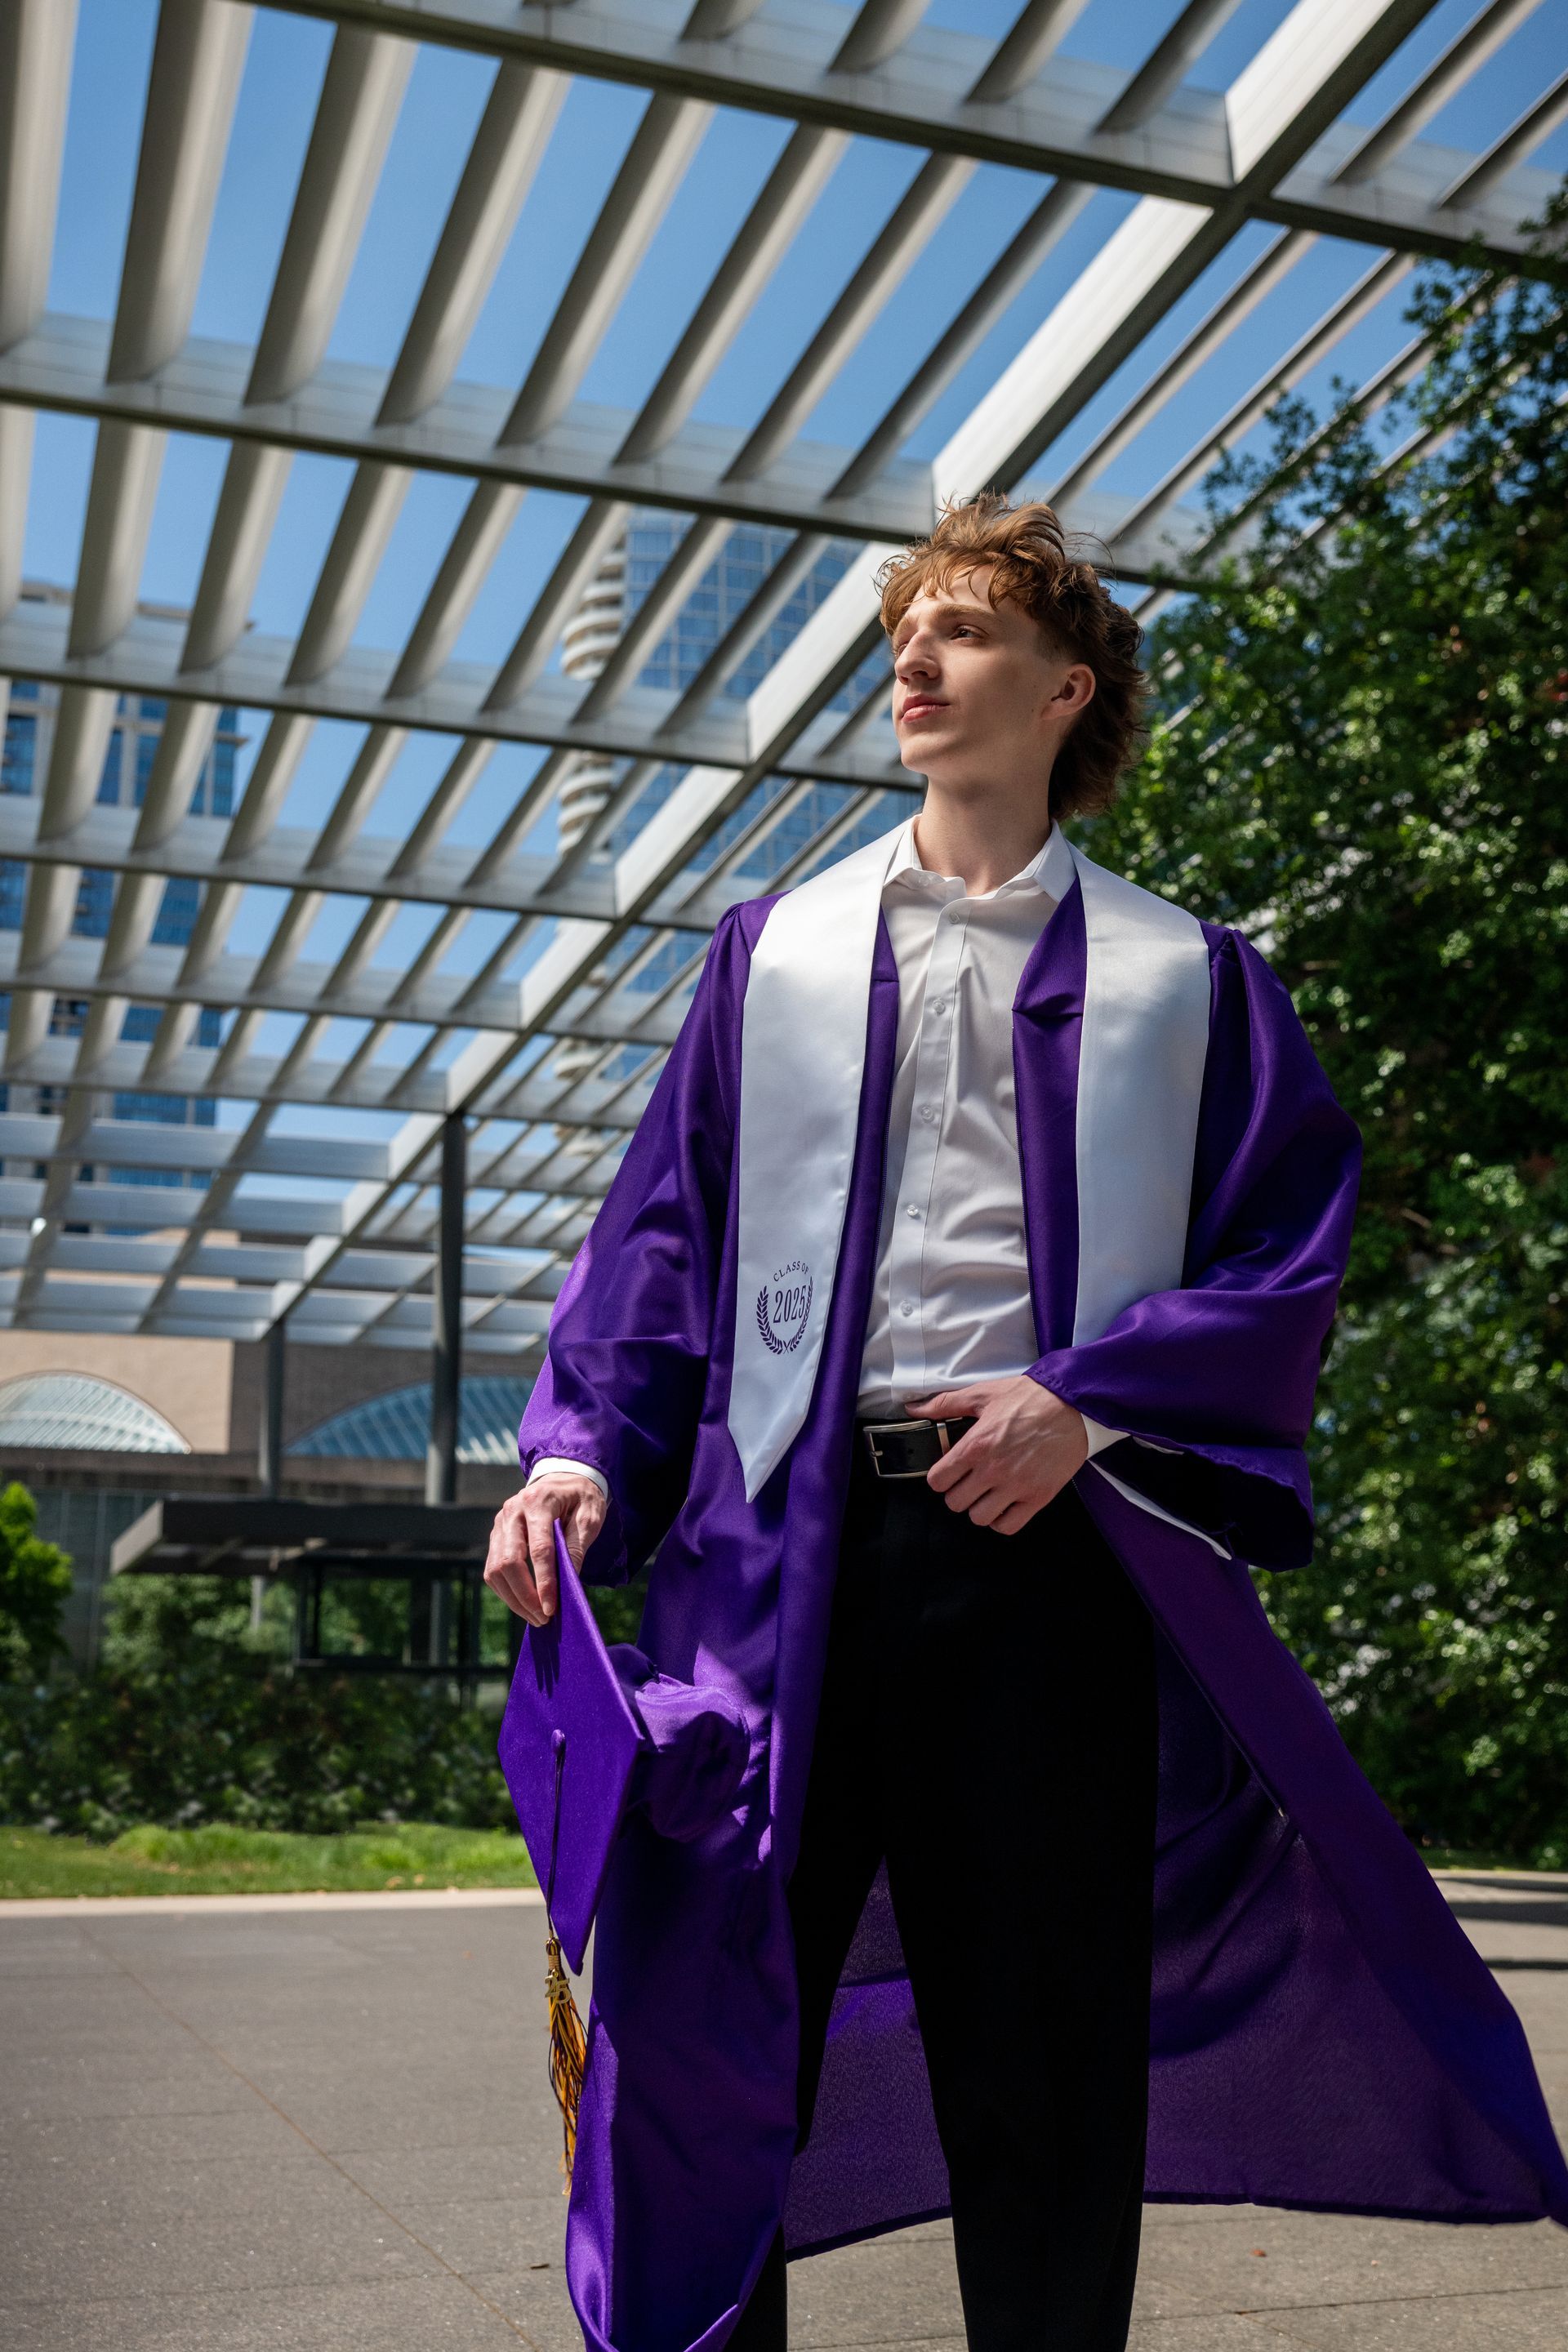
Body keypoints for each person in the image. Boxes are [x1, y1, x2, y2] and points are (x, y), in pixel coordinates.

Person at [485, 496, 1568, 2352]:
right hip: (779, 1569)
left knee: (1044, 2063)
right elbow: (664, 1239)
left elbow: (1282, 1257)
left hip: (1043, 1567)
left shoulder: (1192, 981)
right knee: (699, 2025)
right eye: (905, 632)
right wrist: (580, 1448)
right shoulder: (775, 957)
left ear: (1072, 688)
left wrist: (1089, 1405)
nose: (914, 660)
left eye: (965, 631)